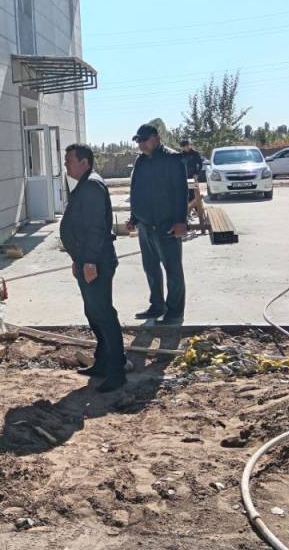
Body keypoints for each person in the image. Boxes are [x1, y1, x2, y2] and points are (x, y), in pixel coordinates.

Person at [60, 143, 126, 392]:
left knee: (104, 314)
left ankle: (117, 370)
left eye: (69, 160)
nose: (65, 164)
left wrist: (89, 261)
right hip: (85, 260)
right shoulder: (84, 184)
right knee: (93, 313)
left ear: (84, 162)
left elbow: (97, 227)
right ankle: (103, 362)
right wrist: (77, 259)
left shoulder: (92, 185)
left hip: (97, 262)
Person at [126, 123, 188, 325]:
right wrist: (134, 217)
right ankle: (157, 305)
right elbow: (136, 190)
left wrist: (181, 221)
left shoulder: (172, 159)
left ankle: (175, 312)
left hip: (167, 225)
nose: (141, 145)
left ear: (157, 138)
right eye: (138, 141)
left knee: (172, 270)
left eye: (144, 140)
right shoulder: (141, 161)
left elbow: (181, 192)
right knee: (151, 268)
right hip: (145, 225)